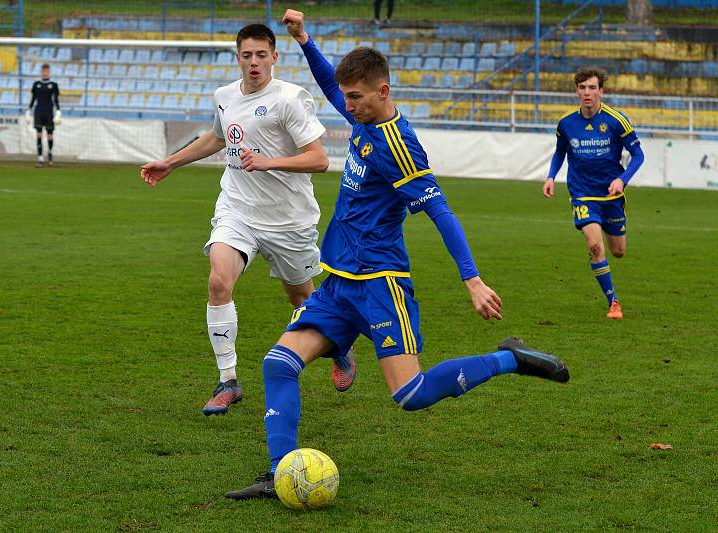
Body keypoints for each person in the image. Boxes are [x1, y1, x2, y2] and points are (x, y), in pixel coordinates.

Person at [224, 9, 570, 500]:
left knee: (410, 395)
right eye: (347, 97)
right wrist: (304, 41)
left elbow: (441, 212)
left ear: (384, 92)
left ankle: (507, 359)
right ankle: (282, 472)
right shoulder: (361, 114)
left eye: (357, 97)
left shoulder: (399, 145)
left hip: (380, 285)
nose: (348, 105)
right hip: (338, 284)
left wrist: (472, 279)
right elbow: (330, 85)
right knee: (278, 364)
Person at [140, 24, 356, 416]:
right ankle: (228, 381)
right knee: (218, 280)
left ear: (275, 57)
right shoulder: (225, 96)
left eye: (261, 55)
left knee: (303, 298)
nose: (254, 62)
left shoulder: (291, 99)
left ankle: (340, 345)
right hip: (238, 208)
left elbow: (319, 159)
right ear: (237, 57)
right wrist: (170, 161)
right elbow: (218, 137)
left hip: (288, 219)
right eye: (246, 55)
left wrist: (269, 161)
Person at [543, 67, 644, 320]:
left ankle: (610, 271)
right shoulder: (566, 123)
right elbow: (560, 152)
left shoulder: (615, 120)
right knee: (596, 246)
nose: (586, 93)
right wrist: (551, 177)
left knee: (618, 251)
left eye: (591, 88)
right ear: (577, 91)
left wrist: (622, 179)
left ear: (601, 91)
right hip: (582, 193)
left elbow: (638, 155)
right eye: (582, 88)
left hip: (610, 194)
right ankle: (613, 302)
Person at [26, 63, 60, 168]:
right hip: (39, 112)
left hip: (49, 112)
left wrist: (58, 112)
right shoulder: (36, 84)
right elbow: (33, 99)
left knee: (50, 135)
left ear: (49, 72)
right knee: (39, 135)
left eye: (47, 71)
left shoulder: (54, 85)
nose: (45, 73)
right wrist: (28, 111)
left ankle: (50, 156)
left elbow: (56, 100)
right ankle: (40, 158)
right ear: (41, 72)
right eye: (43, 71)